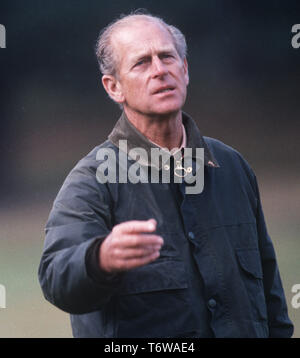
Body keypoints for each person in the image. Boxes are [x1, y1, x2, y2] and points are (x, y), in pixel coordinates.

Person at [38, 11, 294, 338]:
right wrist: (99, 259)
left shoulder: (233, 167)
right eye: (142, 62)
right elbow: (55, 278)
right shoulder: (92, 180)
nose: (160, 70)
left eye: (168, 57)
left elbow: (272, 302)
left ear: (185, 70)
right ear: (114, 86)